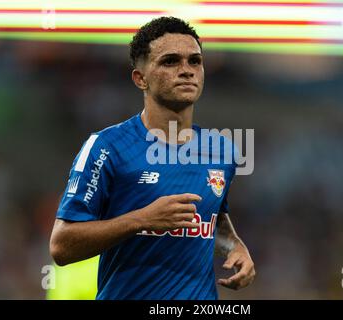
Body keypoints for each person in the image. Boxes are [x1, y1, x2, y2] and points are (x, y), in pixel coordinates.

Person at [49, 16, 255, 300]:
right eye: (170, 61)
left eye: (195, 61)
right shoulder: (107, 147)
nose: (186, 71)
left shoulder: (222, 150)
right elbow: (61, 246)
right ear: (140, 78)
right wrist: (142, 219)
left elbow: (213, 215)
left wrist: (235, 246)